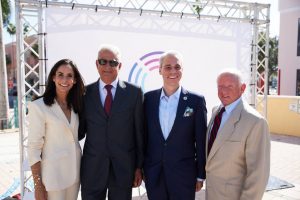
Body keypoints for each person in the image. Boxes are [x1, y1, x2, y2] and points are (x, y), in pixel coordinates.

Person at [79, 45, 144, 200]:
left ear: (119, 66)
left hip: (123, 170)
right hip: (92, 170)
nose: (107, 66)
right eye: (103, 62)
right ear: (96, 64)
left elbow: (139, 134)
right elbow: (78, 131)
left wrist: (138, 167)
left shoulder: (134, 93)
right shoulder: (84, 94)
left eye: (113, 63)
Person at [143, 51, 207, 200]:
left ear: (182, 70)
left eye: (177, 67)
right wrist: (142, 168)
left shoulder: (195, 101)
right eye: (167, 67)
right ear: (159, 70)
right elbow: (143, 137)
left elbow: (201, 140)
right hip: (154, 174)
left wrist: (200, 175)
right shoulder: (148, 99)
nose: (173, 71)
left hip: (184, 176)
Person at [205, 69, 270, 200]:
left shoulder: (255, 122)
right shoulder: (216, 111)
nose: (224, 91)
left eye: (230, 86)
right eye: (221, 86)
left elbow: (258, 174)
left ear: (243, 88)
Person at [27, 59, 85, 200]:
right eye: (60, 74)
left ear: (75, 80)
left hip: (75, 174)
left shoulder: (77, 105)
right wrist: (38, 185)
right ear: (53, 77)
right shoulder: (39, 106)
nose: (64, 79)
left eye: (69, 75)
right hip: (52, 178)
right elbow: (34, 148)